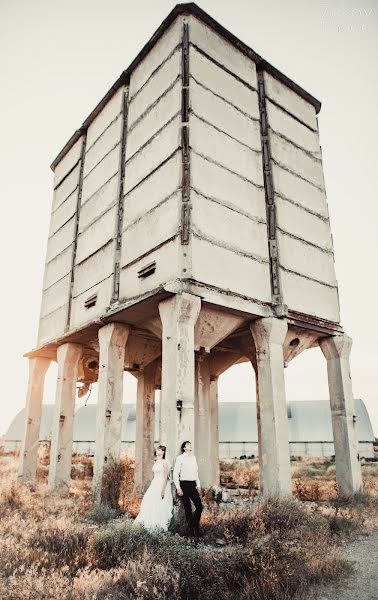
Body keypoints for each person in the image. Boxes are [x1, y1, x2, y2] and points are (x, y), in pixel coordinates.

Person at [134, 445, 173, 532]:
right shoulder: (156, 461)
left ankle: (157, 524)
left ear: (163, 452)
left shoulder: (165, 462)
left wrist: (163, 490)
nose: (157, 451)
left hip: (162, 484)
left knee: (159, 503)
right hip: (154, 483)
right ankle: (147, 522)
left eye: (159, 450)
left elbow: (166, 477)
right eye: (157, 450)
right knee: (149, 501)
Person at [173, 441, 203, 537]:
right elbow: (175, 473)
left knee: (199, 507)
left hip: (193, 484)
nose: (190, 446)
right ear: (184, 448)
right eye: (188, 445)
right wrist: (178, 488)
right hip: (184, 485)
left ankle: (194, 525)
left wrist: (198, 485)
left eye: (190, 444)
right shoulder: (180, 458)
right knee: (188, 509)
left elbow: (196, 473)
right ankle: (191, 532)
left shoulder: (193, 458)